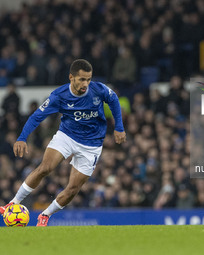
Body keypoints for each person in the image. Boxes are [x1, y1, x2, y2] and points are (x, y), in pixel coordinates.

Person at [0, 59, 126, 226]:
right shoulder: (59, 96)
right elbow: (37, 115)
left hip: (92, 144)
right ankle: (13, 203)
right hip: (67, 136)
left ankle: (45, 215)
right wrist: (22, 138)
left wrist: (119, 127)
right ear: (71, 77)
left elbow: (114, 100)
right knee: (45, 168)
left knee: (73, 189)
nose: (86, 83)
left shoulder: (98, 89)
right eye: (82, 79)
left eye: (88, 79)